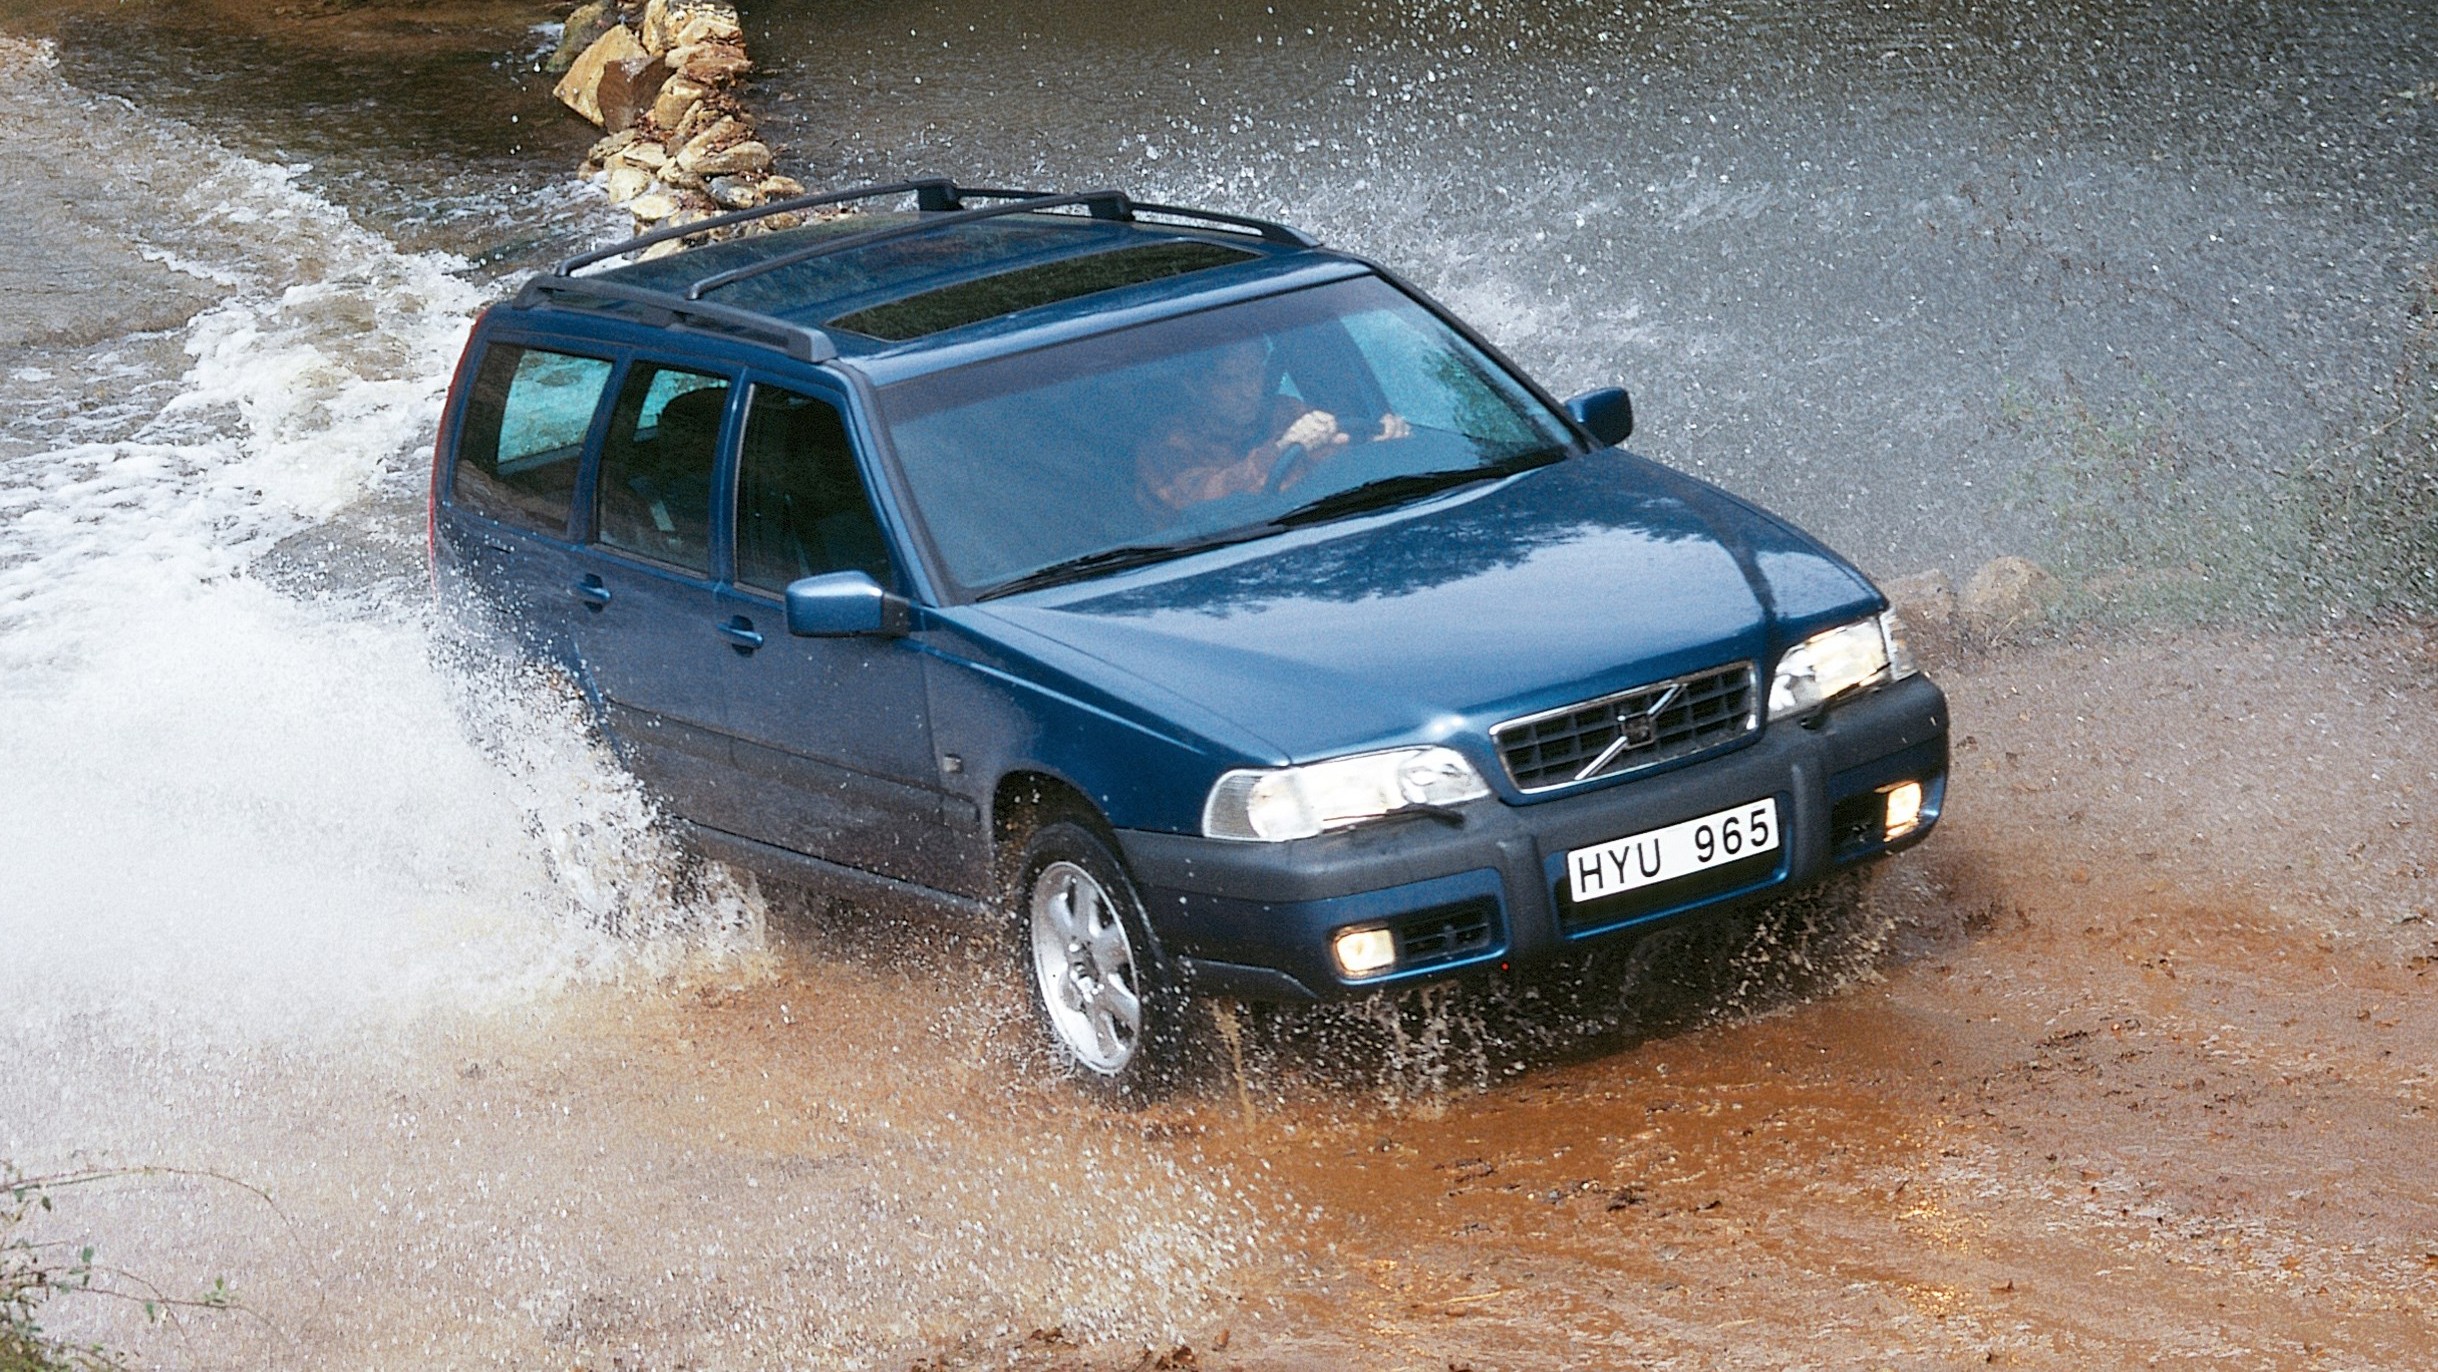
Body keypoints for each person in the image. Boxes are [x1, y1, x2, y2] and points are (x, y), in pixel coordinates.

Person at [1134, 336, 1409, 522]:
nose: (1248, 391)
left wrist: (1380, 447)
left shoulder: (1285, 411)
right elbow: (1212, 506)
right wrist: (1282, 449)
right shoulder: (1166, 448)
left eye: (1254, 373)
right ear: (1193, 386)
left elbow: (1339, 466)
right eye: (1229, 380)